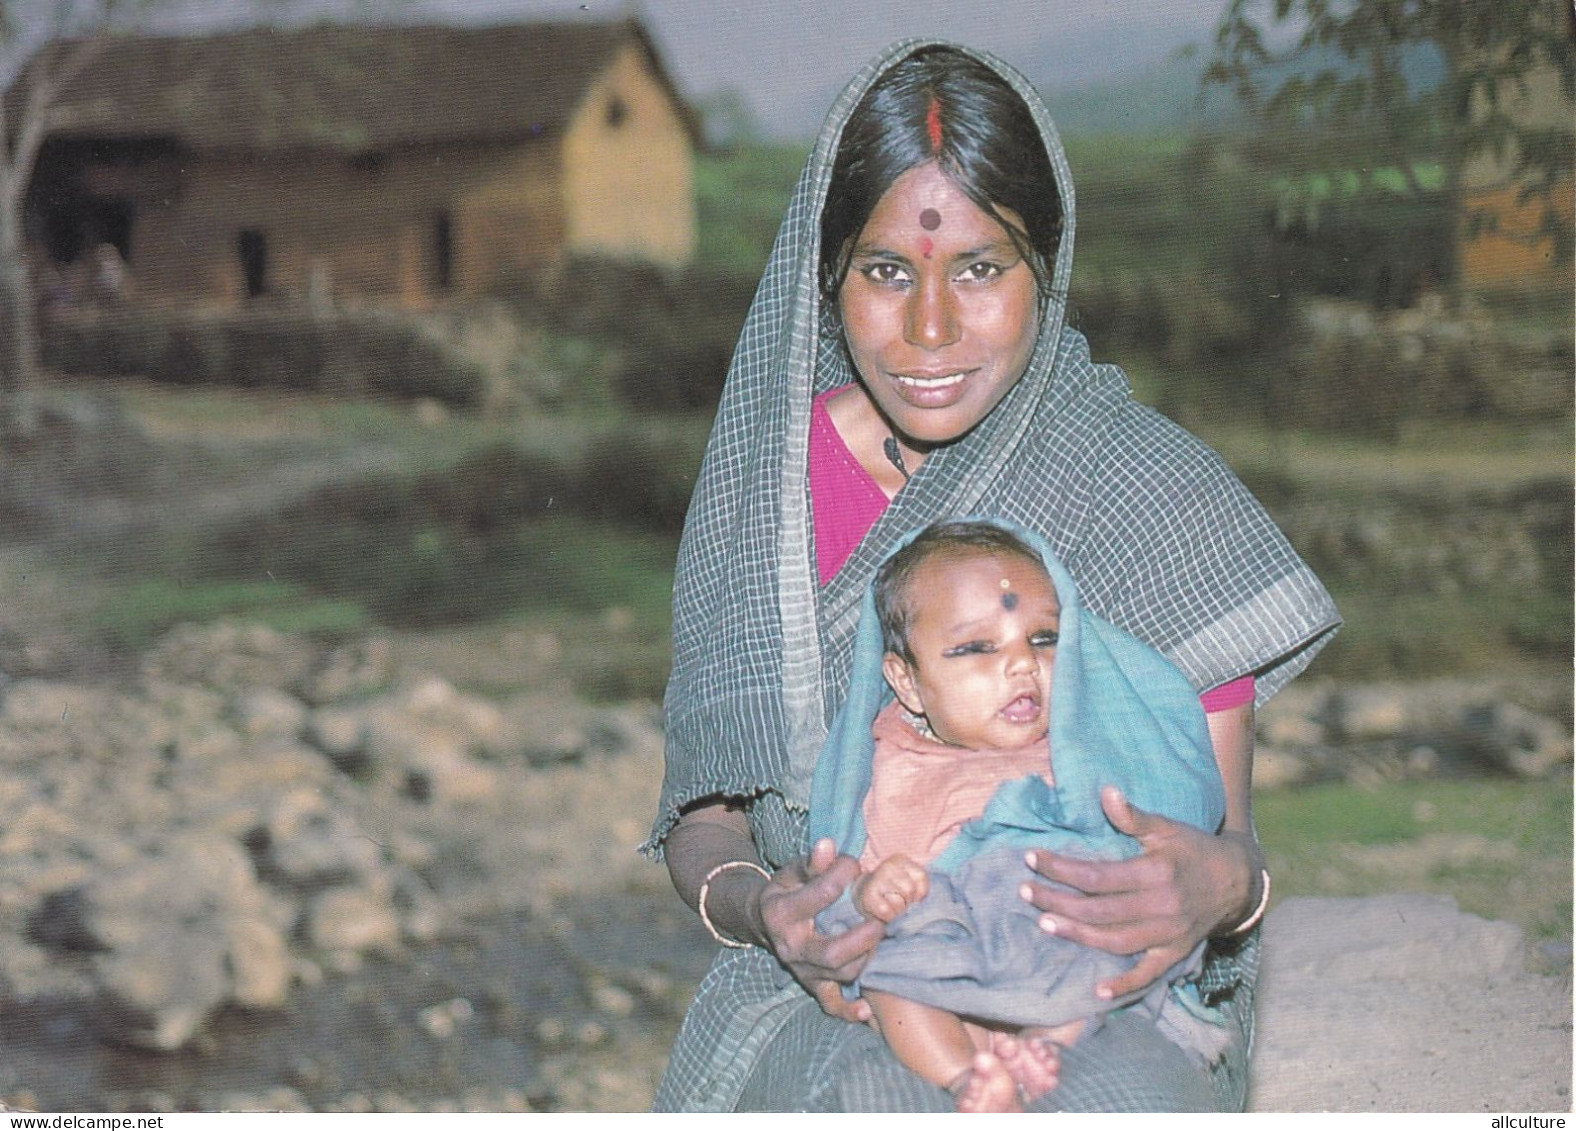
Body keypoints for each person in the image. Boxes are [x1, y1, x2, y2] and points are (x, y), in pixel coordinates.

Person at [645, 40, 1340, 1113]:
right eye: (886, 271)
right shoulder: (765, 494)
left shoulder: (1149, 492)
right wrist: (759, 907)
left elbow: (1226, 844)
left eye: (979, 267)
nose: (929, 329)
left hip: (1104, 980)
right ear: (826, 279)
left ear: (1046, 274)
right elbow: (708, 822)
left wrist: (1215, 887)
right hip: (836, 981)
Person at [809, 518, 1232, 1111]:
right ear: (906, 681)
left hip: (1057, 933)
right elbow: (851, 871)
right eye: (977, 647)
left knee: (1104, 951)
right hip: (949, 954)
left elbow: (1159, 831)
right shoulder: (892, 760)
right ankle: (965, 1077)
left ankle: (1044, 1049)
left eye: (1043, 639)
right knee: (889, 976)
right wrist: (873, 891)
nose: (1021, 666)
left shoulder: (1086, 745)